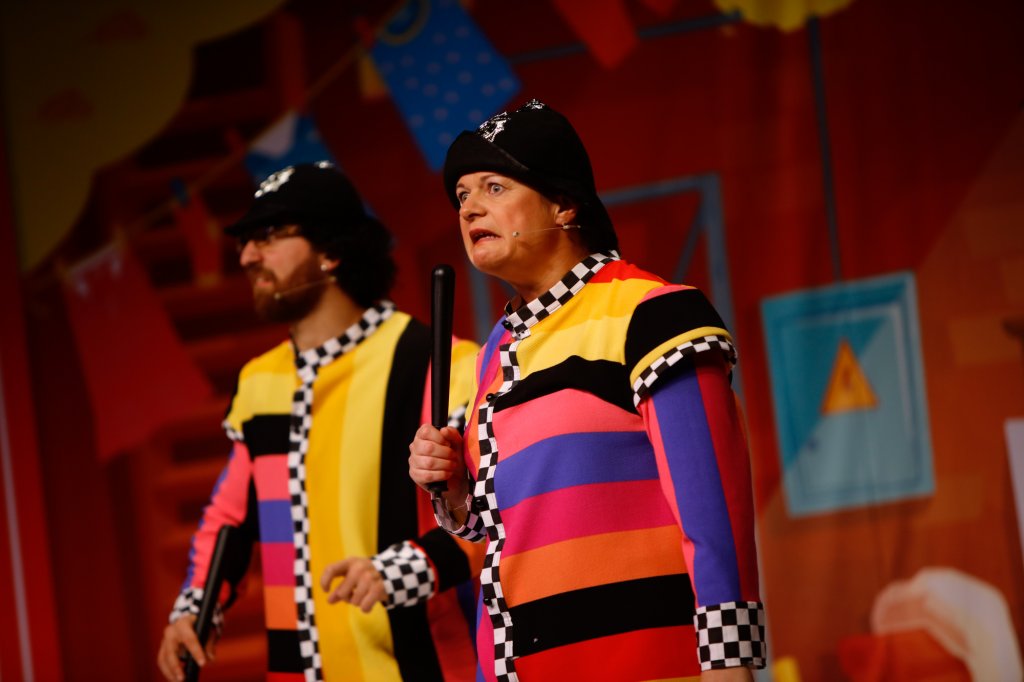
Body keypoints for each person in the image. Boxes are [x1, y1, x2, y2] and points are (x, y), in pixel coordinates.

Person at [408, 100, 766, 681]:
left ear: (564, 203)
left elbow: (712, 511)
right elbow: (501, 527)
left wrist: (731, 662)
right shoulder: (495, 349)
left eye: (495, 187)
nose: (469, 207)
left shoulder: (653, 313)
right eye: (462, 195)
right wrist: (453, 491)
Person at [157, 162, 482, 682]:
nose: (247, 256)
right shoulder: (259, 382)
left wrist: (399, 570)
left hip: (421, 668)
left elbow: (499, 514)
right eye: (246, 241)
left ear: (331, 251)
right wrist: (195, 608)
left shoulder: (441, 363)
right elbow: (231, 518)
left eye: (269, 236)